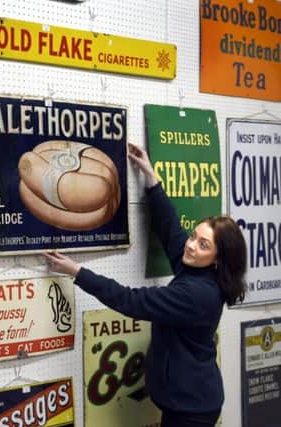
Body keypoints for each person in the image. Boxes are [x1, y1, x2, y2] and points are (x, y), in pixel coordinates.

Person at [44, 143, 247, 427]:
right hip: (187, 402)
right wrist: (150, 178)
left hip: (191, 411)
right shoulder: (198, 271)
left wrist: (76, 272)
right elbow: (171, 230)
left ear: (218, 258)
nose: (190, 246)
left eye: (203, 244)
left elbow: (130, 300)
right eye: (194, 236)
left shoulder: (195, 293)